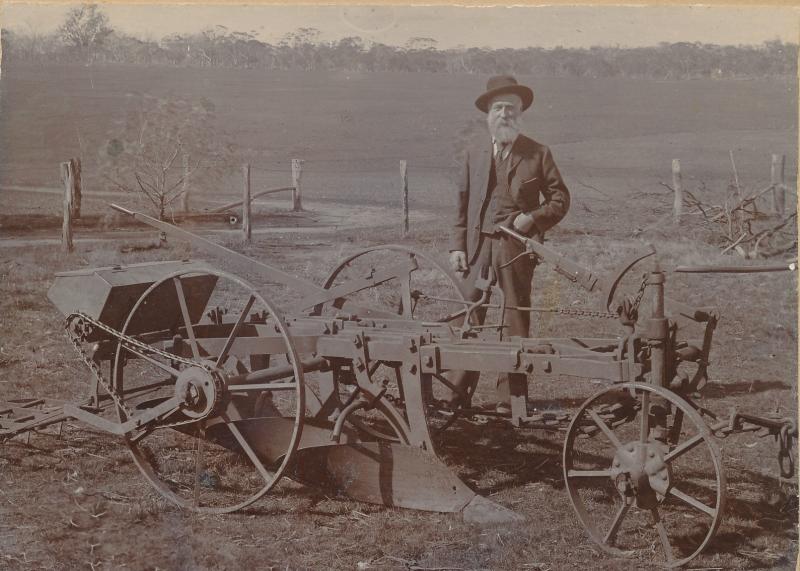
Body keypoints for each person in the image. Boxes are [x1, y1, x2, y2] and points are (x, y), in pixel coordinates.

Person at [447, 75, 570, 414]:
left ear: (520, 114)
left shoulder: (537, 153)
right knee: (467, 315)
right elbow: (462, 202)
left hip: (515, 247)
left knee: (516, 317)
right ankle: (455, 395)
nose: (505, 114)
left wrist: (532, 218)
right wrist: (458, 246)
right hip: (477, 247)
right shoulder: (473, 153)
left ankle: (510, 400)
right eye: (498, 107)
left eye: (511, 108)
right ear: (488, 113)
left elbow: (560, 200)